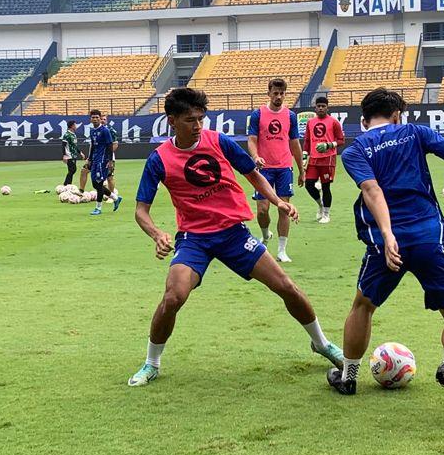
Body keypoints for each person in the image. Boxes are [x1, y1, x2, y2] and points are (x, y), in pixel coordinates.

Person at [127, 87, 343, 387]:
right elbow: (141, 210)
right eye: (190, 120)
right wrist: (156, 234)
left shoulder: (218, 141)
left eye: (201, 118)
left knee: (287, 286)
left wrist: (278, 201)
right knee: (173, 297)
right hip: (194, 238)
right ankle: (152, 362)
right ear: (172, 121)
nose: (198, 125)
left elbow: (254, 175)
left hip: (233, 233)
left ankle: (321, 343)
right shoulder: (159, 159)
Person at [326, 88, 444, 416]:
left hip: (385, 243)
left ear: (363, 120)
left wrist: (388, 235)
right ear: (397, 115)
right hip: (428, 235)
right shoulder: (415, 132)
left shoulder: (355, 149)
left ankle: (348, 377)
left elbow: (372, 191)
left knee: (363, 306)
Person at [246, 78, 303, 262]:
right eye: (275, 93)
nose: (278, 97)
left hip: (284, 167)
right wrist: (255, 157)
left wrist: (301, 170)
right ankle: (265, 233)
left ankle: (281, 250)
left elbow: (295, 144)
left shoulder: (290, 116)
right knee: (262, 210)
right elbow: (252, 140)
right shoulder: (258, 114)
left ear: (285, 94)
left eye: (281, 93)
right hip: (263, 168)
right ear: (269, 93)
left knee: (284, 208)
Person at [301, 96, 345, 223]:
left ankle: (326, 214)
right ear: (315, 108)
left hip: (328, 158)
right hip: (314, 159)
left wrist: (328, 145)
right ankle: (320, 205)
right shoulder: (310, 122)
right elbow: (307, 141)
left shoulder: (333, 122)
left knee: (326, 187)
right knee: (309, 185)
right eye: (318, 106)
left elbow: (341, 140)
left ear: (327, 108)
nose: (320, 108)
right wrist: (304, 156)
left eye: (323, 106)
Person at [87, 109, 122, 215]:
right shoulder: (92, 130)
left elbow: (110, 145)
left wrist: (110, 160)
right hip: (95, 160)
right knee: (95, 184)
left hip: (102, 161)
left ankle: (98, 208)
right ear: (90, 119)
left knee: (99, 183)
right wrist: (89, 159)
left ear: (100, 118)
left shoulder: (105, 130)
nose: (95, 119)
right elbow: (93, 145)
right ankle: (116, 198)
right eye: (93, 117)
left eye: (97, 117)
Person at [61, 121, 84, 186]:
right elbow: (63, 145)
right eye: (75, 125)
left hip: (74, 155)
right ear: (72, 126)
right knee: (73, 170)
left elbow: (74, 146)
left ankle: (68, 185)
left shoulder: (73, 134)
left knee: (71, 170)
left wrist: (80, 152)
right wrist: (64, 155)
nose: (76, 126)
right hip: (69, 155)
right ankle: (66, 184)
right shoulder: (67, 135)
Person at [101, 114, 119, 193]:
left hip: (108, 158)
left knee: (109, 177)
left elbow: (115, 144)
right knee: (98, 178)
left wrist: (109, 156)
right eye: (101, 119)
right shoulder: (95, 131)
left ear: (107, 121)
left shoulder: (111, 130)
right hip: (98, 158)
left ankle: (112, 196)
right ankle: (102, 194)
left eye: (104, 119)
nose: (102, 121)